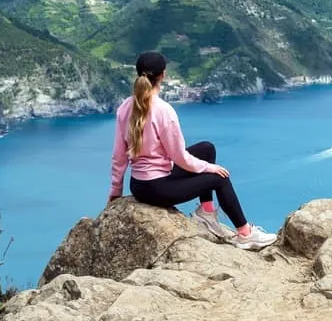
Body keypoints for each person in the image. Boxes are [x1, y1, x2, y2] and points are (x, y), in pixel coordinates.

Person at [108, 51, 277, 251]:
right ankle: (245, 233)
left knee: (206, 149)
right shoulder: (164, 111)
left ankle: (206, 212)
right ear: (163, 75)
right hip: (158, 189)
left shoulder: (125, 107)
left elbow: (119, 157)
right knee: (219, 177)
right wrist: (209, 168)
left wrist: (115, 193)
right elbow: (179, 157)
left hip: (139, 185)